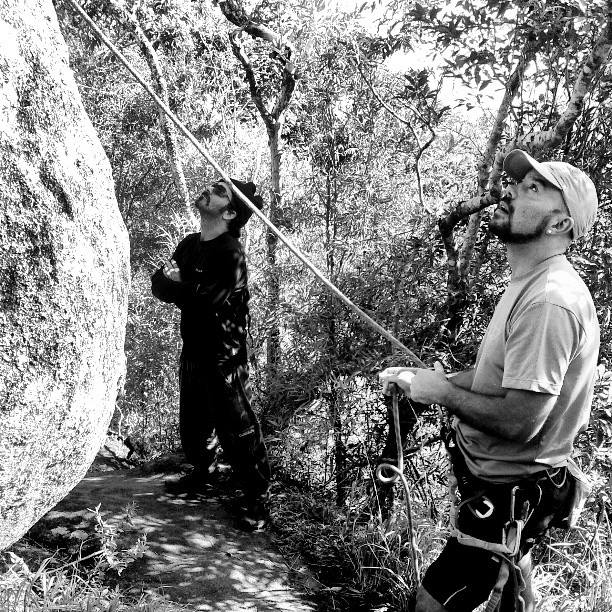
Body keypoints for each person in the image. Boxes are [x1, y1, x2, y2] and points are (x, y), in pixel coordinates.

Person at [379, 149, 600, 611]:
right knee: (513, 589)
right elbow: (500, 380)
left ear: (559, 225)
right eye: (516, 183)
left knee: (432, 604)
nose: (511, 190)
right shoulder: (531, 282)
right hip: (509, 489)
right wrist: (428, 381)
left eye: (532, 188)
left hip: (510, 494)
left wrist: (442, 393)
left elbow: (522, 420)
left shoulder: (548, 301)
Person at [151, 178, 271, 531]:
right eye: (213, 186)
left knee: (237, 429)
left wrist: (181, 287)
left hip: (224, 356)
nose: (209, 191)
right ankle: (204, 474)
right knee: (193, 422)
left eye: (220, 192)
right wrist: (182, 288)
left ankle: (258, 500)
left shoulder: (230, 253)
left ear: (230, 212)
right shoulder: (190, 244)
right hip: (193, 348)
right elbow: (160, 285)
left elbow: (209, 301)